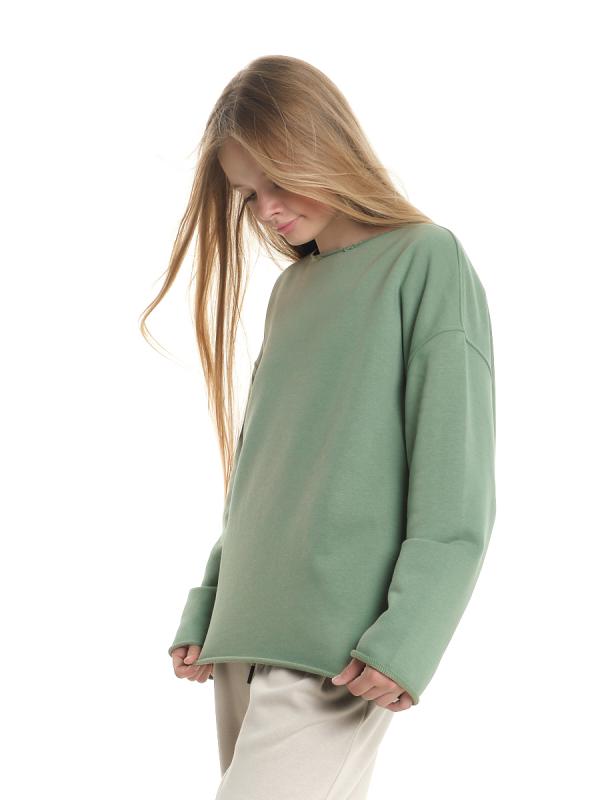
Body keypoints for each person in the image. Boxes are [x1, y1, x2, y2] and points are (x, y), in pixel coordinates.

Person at [140, 55, 496, 799]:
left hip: (337, 648)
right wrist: (211, 602)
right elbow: (264, 473)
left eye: (278, 179)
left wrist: (412, 634)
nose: (267, 209)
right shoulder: (290, 293)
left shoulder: (425, 261)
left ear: (321, 146)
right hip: (245, 636)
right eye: (249, 193)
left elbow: (453, 478)